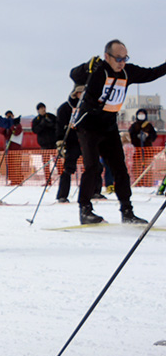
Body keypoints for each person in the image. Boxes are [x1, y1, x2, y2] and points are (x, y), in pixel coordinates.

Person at [70, 40, 166, 224]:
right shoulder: (98, 70)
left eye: (125, 58)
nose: (122, 62)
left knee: (120, 169)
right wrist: (86, 66)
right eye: (118, 58)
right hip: (88, 126)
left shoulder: (127, 72)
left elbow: (152, 73)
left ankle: (127, 211)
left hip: (109, 127)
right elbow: (74, 74)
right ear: (107, 57)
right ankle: (85, 210)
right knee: (92, 167)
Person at [55, 85, 85, 203]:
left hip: (85, 140)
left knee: (94, 166)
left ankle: (94, 192)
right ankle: (62, 195)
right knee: (68, 168)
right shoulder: (65, 108)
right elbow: (59, 126)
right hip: (71, 142)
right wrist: (60, 142)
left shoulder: (88, 106)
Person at [128, 109, 159, 187]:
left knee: (148, 169)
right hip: (137, 150)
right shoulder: (134, 126)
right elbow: (130, 136)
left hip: (147, 150)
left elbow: (154, 136)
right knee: (137, 169)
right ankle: (138, 184)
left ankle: (148, 184)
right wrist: (137, 137)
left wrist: (148, 136)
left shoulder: (149, 125)